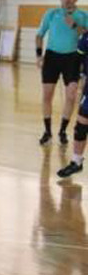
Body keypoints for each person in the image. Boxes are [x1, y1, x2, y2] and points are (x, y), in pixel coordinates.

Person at [37, 0, 88, 145]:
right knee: (47, 95)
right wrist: (39, 55)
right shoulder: (51, 14)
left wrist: (74, 26)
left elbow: (86, 35)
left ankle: (63, 131)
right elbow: (39, 35)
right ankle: (47, 131)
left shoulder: (83, 16)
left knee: (71, 96)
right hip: (52, 57)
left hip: (72, 58)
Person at [58, 30, 88, 177]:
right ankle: (76, 162)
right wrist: (73, 81)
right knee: (81, 123)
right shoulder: (86, 37)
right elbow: (77, 59)